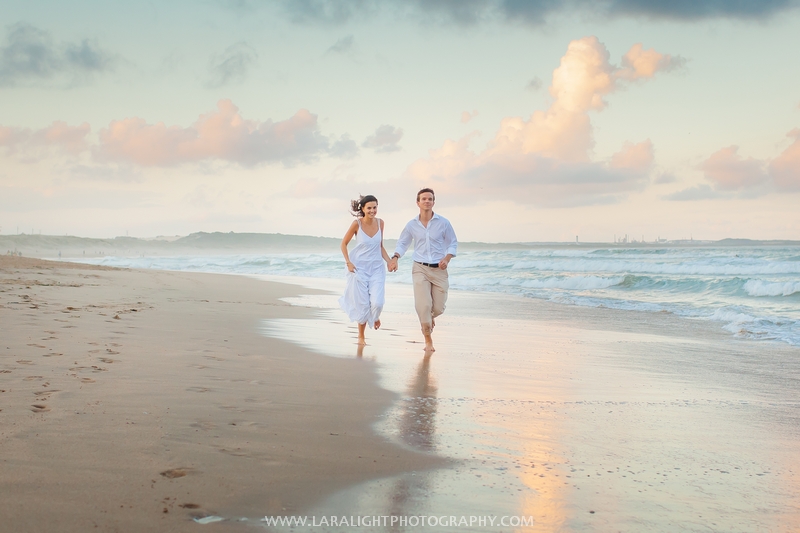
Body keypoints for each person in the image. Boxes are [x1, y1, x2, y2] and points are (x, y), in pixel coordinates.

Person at [388, 188, 457, 353]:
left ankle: (429, 318)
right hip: (419, 267)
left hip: (439, 269)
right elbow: (403, 243)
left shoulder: (444, 223)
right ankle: (428, 340)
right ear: (418, 202)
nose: (427, 201)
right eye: (424, 199)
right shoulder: (411, 225)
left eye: (430, 199)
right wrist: (395, 257)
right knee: (423, 305)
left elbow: (452, 243)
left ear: (434, 202)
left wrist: (446, 259)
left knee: (438, 308)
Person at [339, 194, 392, 345]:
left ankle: (374, 316)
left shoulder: (381, 223)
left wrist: (389, 261)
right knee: (362, 304)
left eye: (375, 207)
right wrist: (348, 262)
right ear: (362, 209)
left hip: (376, 269)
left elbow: (380, 247)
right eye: (369, 208)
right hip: (359, 269)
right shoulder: (357, 224)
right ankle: (361, 336)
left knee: (378, 303)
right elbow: (343, 244)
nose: (372, 210)